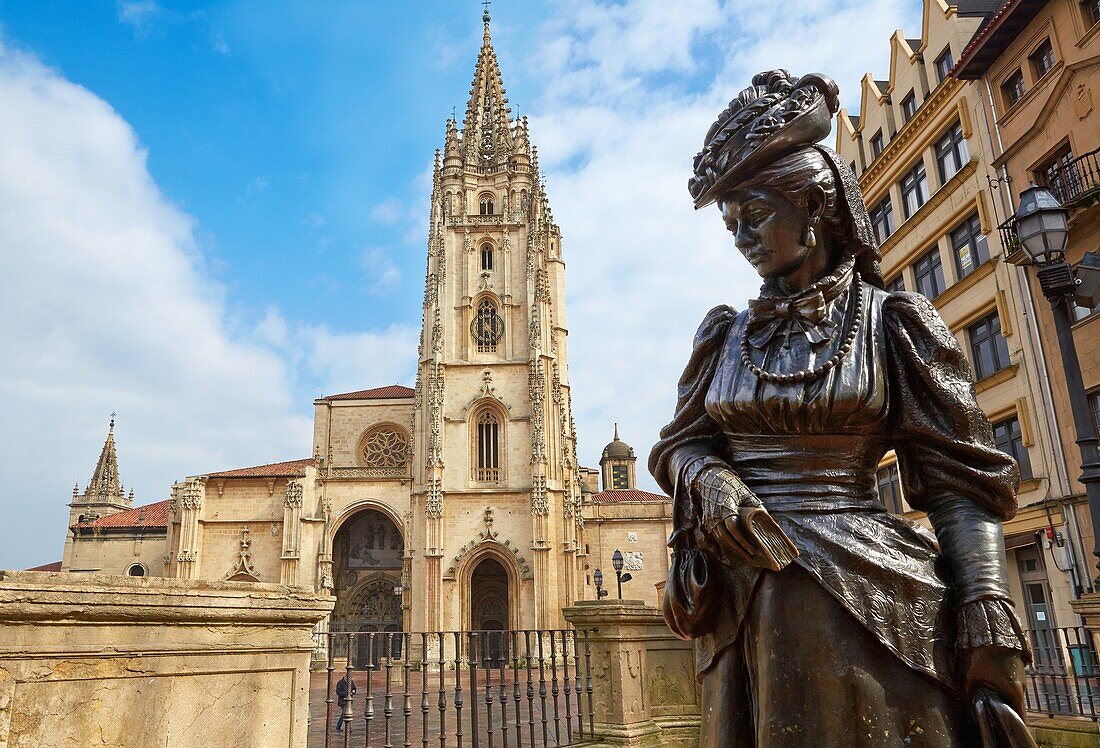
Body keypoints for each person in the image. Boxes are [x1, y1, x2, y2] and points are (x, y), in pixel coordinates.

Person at [650, 70, 1034, 747]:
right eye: (732, 223)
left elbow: (960, 485)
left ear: (818, 206)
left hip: (862, 592)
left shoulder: (894, 324)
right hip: (744, 602)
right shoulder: (725, 335)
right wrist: (709, 480)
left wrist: (985, 607)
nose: (741, 238)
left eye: (756, 215)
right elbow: (680, 443)